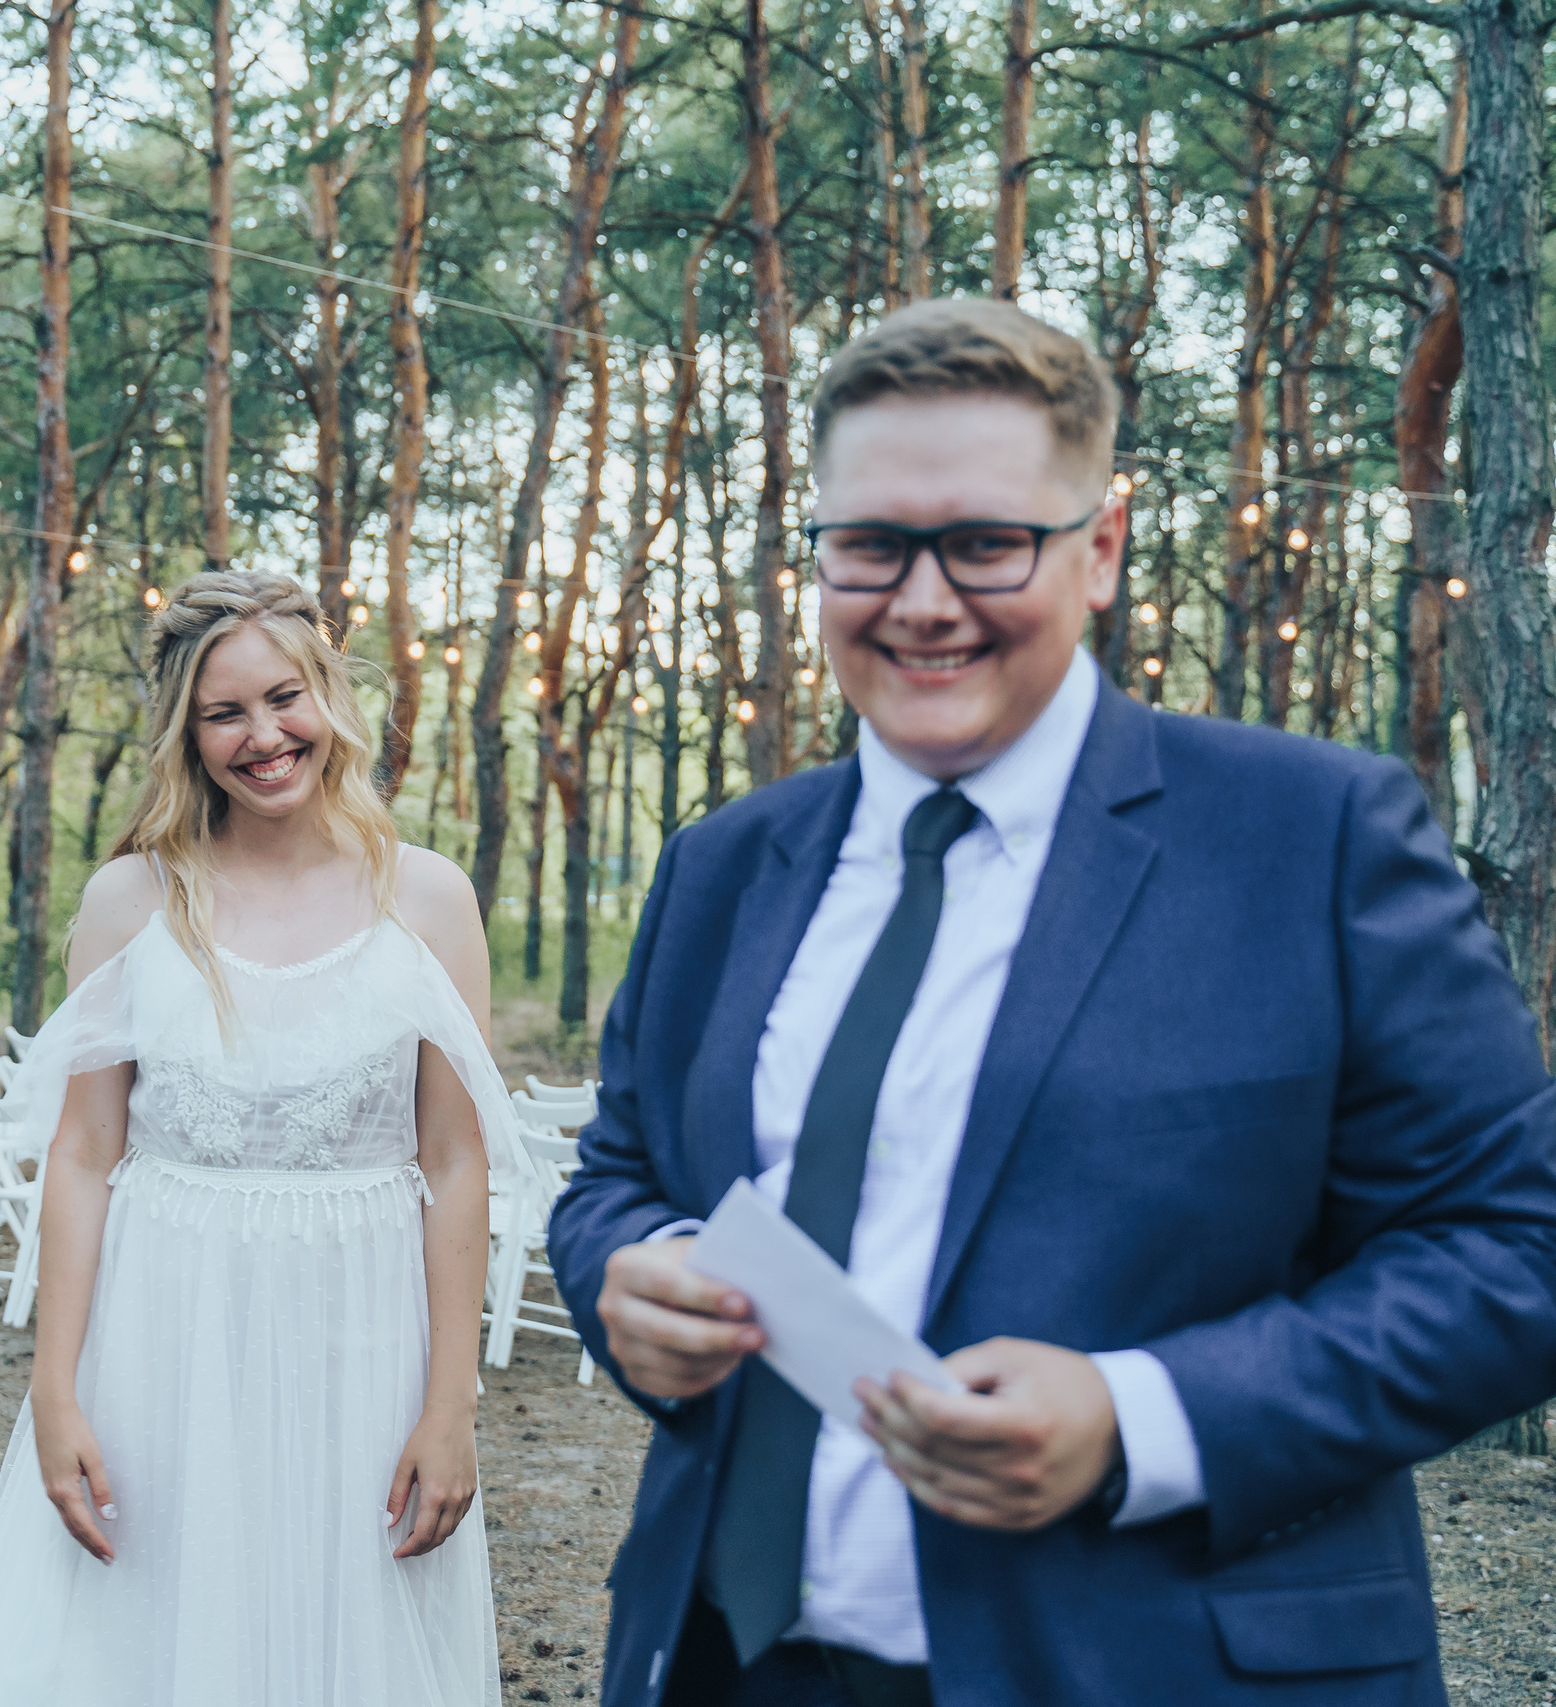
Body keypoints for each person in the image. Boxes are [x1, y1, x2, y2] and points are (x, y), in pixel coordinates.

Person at [547, 297, 1556, 1707]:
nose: (921, 600)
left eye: (984, 542)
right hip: (732, 1654)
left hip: (1148, 1659)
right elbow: (620, 1172)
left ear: (1102, 548)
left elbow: (1515, 1249)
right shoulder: (723, 864)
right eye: (871, 545)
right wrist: (624, 1269)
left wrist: (1142, 1417)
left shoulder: (1311, 834)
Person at [0, 569, 523, 1707]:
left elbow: (456, 1164)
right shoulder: (130, 900)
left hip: (361, 1346)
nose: (264, 735)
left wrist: (449, 1405)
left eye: (285, 697)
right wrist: (53, 1390)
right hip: (162, 1337)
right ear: (187, 734)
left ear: (332, 698)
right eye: (226, 712)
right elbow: (81, 1154)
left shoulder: (430, 900)